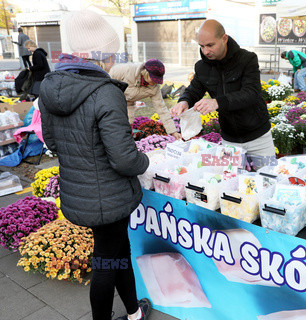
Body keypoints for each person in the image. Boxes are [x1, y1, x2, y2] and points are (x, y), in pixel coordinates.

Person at [38, 10, 151, 320]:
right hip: (109, 196)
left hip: (81, 192)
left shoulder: (49, 89)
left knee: (117, 251)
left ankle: (133, 312)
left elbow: (53, 142)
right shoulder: (105, 93)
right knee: (105, 261)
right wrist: (146, 161)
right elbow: (125, 158)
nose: (113, 59)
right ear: (98, 54)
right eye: (110, 52)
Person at [170, 19, 275, 162]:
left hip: (258, 137)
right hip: (229, 139)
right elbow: (194, 89)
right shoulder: (202, 67)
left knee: (267, 179)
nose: (205, 51)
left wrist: (218, 102)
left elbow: (251, 93)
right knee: (228, 181)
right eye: (201, 46)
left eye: (210, 45)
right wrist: (184, 101)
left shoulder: (247, 59)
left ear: (224, 39)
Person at [110, 60, 182, 139]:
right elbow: (106, 81)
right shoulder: (126, 70)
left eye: (158, 80)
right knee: (111, 127)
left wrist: (173, 132)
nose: (155, 82)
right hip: (112, 100)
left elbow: (161, 109)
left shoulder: (155, 88)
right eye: (154, 78)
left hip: (129, 105)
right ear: (146, 72)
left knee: (126, 132)